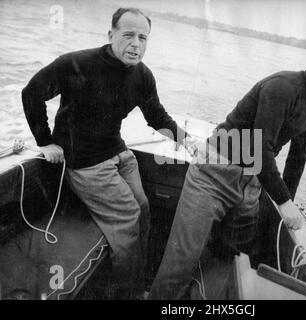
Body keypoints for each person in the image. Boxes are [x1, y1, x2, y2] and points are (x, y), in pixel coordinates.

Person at [149, 35, 306, 299]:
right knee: (181, 259)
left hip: (251, 182)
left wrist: (289, 204)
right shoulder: (283, 87)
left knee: (231, 258)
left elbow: (297, 160)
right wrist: (283, 202)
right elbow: (260, 148)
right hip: (214, 173)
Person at [21, 7, 195, 299]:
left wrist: (187, 141)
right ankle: (127, 293)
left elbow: (157, 116)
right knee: (128, 219)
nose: (136, 43)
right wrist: (45, 141)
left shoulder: (142, 75)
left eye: (143, 37)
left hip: (118, 152)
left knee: (144, 208)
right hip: (86, 162)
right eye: (128, 35)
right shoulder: (77, 63)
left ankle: (139, 282)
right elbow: (32, 92)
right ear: (110, 34)